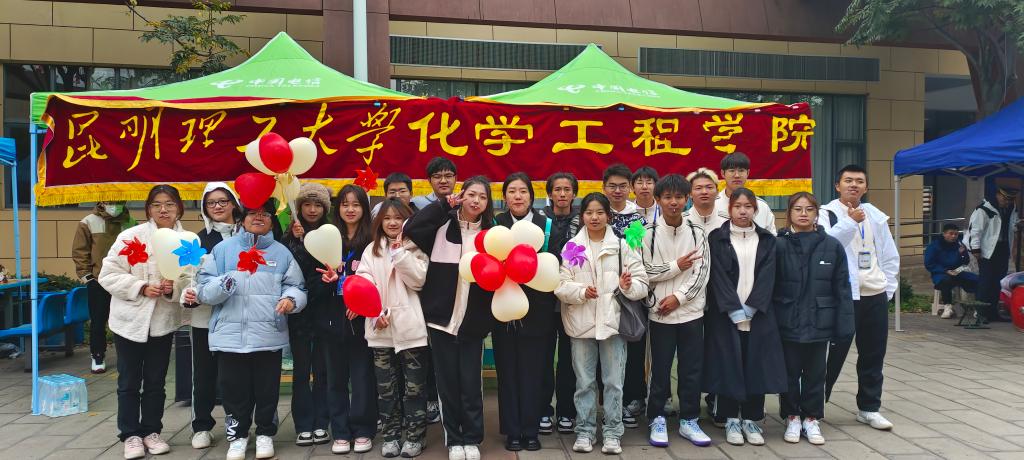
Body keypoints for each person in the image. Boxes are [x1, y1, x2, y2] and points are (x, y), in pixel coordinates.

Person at [188, 197, 307, 460]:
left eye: (265, 214)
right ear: (242, 218)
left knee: (267, 390)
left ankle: (265, 433)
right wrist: (225, 284)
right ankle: (237, 436)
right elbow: (204, 289)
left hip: (268, 335)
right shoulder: (223, 250)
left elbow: (296, 286)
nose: (259, 217)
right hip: (230, 337)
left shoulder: (281, 253)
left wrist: (291, 300)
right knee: (233, 390)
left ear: (271, 220)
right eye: (253, 213)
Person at [403, 176, 497, 460]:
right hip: (441, 320)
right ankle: (454, 439)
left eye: (482, 196)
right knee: (447, 384)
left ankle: (472, 438)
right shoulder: (442, 226)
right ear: (461, 195)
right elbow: (412, 228)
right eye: (471, 194)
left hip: (473, 321)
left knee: (471, 384)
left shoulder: (491, 235)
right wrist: (444, 205)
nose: (476, 201)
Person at [556, 192, 649, 455]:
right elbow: (561, 285)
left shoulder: (622, 246)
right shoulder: (573, 247)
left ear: (609, 215)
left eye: (599, 212)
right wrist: (581, 292)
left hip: (612, 323)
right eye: (589, 212)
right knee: (584, 383)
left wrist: (627, 287)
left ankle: (612, 432)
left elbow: (642, 283)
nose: (594, 217)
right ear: (582, 216)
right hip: (581, 324)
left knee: (614, 382)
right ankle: (584, 431)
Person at [99, 185, 186, 460]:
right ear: (148, 209)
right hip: (129, 322)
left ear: (179, 207)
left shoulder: (186, 241)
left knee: (156, 381)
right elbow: (108, 275)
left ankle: (151, 431)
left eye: (169, 204)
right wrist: (140, 287)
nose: (163, 209)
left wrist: (173, 288)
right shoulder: (131, 237)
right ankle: (130, 435)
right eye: (157, 204)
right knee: (128, 381)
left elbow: (193, 279)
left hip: (162, 321)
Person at [820, 164, 900, 431]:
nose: (853, 185)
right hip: (844, 296)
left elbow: (889, 255)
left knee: (873, 355)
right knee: (832, 354)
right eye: (848, 180)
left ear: (866, 187)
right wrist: (850, 221)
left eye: (859, 181)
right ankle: (815, 406)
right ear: (837, 186)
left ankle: (869, 408)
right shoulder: (827, 214)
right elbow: (827, 246)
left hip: (874, 294)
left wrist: (886, 290)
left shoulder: (875, 215)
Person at [704, 187, 784, 447]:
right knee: (728, 365)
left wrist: (752, 307)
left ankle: (751, 418)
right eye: (737, 206)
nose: (742, 211)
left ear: (755, 210)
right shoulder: (717, 238)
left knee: (756, 366)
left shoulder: (767, 240)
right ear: (729, 209)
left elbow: (769, 275)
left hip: (758, 315)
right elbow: (716, 275)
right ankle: (729, 419)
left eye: (748, 206)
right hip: (726, 316)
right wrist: (732, 308)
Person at [774, 192, 854, 446]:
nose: (803, 214)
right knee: (788, 373)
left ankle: (811, 417)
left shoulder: (831, 246)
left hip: (820, 320)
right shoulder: (778, 245)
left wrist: (844, 324)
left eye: (809, 209)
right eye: (798, 209)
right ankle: (792, 416)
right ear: (789, 213)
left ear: (816, 214)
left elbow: (842, 288)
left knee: (816, 373)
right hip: (787, 319)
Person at [355, 198, 431, 458]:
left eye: (398, 218)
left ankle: (415, 437)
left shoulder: (415, 247)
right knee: (386, 389)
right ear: (379, 222)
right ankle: (390, 436)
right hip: (380, 329)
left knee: (414, 388)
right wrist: (374, 312)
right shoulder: (371, 250)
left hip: (411, 329)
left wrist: (400, 253)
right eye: (387, 218)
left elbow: (419, 280)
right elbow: (363, 282)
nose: (392, 223)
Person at [641, 174, 712, 448]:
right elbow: (644, 271)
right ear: (658, 200)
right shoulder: (647, 233)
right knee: (659, 369)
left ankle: (689, 419)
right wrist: (675, 267)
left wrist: (679, 298)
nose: (674, 202)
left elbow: (702, 273)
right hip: (660, 313)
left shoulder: (697, 232)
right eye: (668, 197)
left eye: (679, 197)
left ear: (687, 199)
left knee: (691, 369)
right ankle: (657, 417)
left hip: (691, 313)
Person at [493, 172, 555, 452]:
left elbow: (555, 263)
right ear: (504, 197)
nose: (517, 196)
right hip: (504, 307)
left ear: (531, 195)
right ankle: (512, 430)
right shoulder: (496, 224)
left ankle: (531, 429)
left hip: (538, 310)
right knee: (507, 371)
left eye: (523, 191)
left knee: (533, 372)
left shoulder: (546, 224)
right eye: (512, 191)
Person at [317, 184, 379, 454]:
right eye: (345, 204)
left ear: (364, 208)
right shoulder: (327, 238)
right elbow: (313, 281)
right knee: (336, 379)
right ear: (337, 208)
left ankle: (363, 429)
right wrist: (329, 281)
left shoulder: (372, 241)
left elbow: (379, 279)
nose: (350, 209)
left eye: (356, 204)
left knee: (363, 377)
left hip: (361, 321)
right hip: (332, 319)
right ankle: (340, 432)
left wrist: (360, 301)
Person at [187, 182, 242, 450]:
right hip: (205, 319)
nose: (217, 207)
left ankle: (238, 423)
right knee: (204, 375)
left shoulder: (248, 235)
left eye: (223, 201)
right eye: (211, 203)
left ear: (234, 204)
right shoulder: (198, 241)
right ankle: (201, 426)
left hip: (239, 317)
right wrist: (190, 294)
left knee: (235, 377)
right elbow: (188, 276)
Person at [280, 183, 333, 447]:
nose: (312, 210)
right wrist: (294, 241)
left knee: (322, 371)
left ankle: (322, 422)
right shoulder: (288, 237)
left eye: (318, 205)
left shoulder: (331, 234)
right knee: (301, 371)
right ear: (299, 208)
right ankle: (303, 424)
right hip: (298, 314)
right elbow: (287, 271)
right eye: (307, 205)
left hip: (324, 311)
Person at [601, 163, 647, 427]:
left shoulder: (636, 219)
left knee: (631, 347)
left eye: (622, 186)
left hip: (629, 292)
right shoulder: (596, 212)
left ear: (629, 188)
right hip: (599, 292)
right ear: (604, 188)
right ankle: (603, 404)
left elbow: (636, 253)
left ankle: (630, 400)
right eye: (612, 186)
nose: (617, 191)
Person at [539, 172, 580, 435]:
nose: (562, 194)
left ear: (574, 193)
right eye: (557, 189)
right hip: (543, 299)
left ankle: (567, 411)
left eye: (567, 189)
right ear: (550, 193)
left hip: (572, 299)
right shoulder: (539, 220)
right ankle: (543, 409)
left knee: (568, 358)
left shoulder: (583, 220)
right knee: (543, 357)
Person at [72, 200, 133, 374]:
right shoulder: (88, 221)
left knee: (127, 319)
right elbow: (80, 251)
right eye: (110, 201)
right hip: (98, 280)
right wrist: (87, 277)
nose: (114, 204)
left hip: (124, 280)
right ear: (101, 200)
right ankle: (98, 356)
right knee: (98, 321)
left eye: (118, 201)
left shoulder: (131, 222)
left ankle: (128, 357)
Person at [967, 186, 1019, 322]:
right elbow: (975, 231)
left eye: (1010, 200)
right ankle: (980, 312)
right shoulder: (983, 209)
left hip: (1003, 247)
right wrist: (976, 249)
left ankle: (992, 312)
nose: (1007, 202)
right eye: (1005, 199)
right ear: (998, 195)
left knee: (998, 282)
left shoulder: (1011, 208)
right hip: (987, 250)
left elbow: (1012, 226)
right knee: (986, 281)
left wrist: (1018, 226)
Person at [925, 223, 979, 319]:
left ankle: (978, 308)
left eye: (956, 234)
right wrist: (945, 271)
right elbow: (929, 264)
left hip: (957, 272)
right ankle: (948, 307)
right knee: (946, 281)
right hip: (941, 273)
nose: (953, 236)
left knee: (977, 280)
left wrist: (962, 255)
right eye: (951, 233)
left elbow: (965, 261)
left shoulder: (959, 244)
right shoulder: (934, 246)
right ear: (944, 234)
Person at [714, 153, 776, 233]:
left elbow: (772, 237)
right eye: (732, 171)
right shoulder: (713, 204)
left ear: (748, 173)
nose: (737, 175)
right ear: (723, 173)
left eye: (741, 170)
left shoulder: (761, 206)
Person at [685, 169, 728, 234]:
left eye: (709, 187)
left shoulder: (728, 222)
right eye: (698, 188)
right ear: (690, 193)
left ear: (717, 192)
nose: (704, 192)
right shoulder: (680, 221)